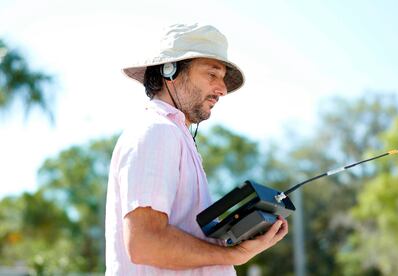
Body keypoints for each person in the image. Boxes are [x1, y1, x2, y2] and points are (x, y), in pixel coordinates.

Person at [105, 23, 289, 275]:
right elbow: (145, 243)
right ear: (170, 71)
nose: (222, 89)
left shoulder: (173, 135)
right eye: (212, 74)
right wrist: (233, 254)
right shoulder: (156, 131)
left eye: (223, 78)